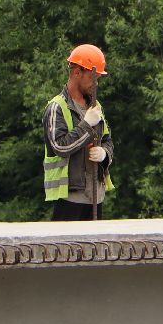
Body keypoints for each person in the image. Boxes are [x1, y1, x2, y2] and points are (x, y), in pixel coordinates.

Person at [43, 43, 115, 221]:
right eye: (93, 78)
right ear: (77, 73)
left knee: (93, 249)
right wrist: (86, 126)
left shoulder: (95, 106)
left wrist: (104, 154)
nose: (96, 83)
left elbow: (108, 140)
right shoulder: (56, 108)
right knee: (66, 248)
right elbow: (59, 146)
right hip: (70, 197)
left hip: (95, 196)